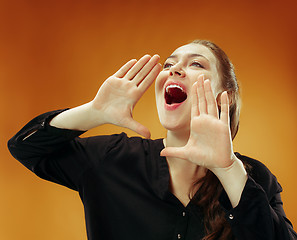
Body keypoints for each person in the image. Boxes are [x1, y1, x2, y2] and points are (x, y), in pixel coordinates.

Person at [8, 39, 297, 240]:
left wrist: (226, 168)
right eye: (170, 64)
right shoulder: (112, 158)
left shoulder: (252, 177)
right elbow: (25, 147)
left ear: (226, 96)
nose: (175, 69)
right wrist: (93, 112)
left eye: (196, 64)